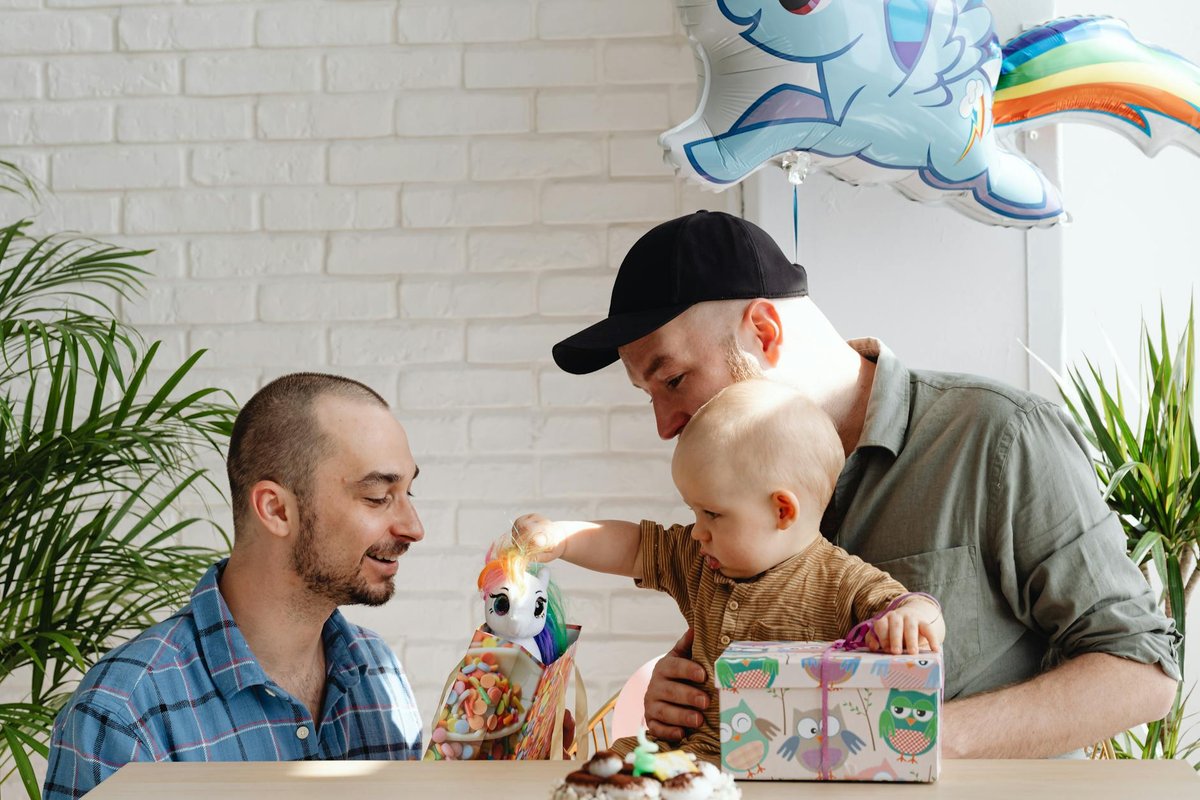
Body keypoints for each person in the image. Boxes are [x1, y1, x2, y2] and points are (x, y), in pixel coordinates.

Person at [550, 210, 1180, 758]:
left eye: (674, 380)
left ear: (764, 333)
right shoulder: (731, 473)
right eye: (649, 395)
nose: (665, 425)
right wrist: (687, 696)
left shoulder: (998, 436)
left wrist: (921, 737)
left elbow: (1142, 671)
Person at [516, 379, 944, 762]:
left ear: (781, 510)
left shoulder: (839, 580)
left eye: (713, 514)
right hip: (678, 751)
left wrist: (911, 618)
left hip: (780, 763)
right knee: (602, 770)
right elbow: (633, 547)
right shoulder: (699, 559)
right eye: (693, 512)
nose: (697, 531)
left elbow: (914, 608)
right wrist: (562, 538)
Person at [43, 373, 426, 800]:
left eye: (409, 492)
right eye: (377, 497)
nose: (413, 528)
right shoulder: (125, 713)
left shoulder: (380, 672)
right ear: (276, 509)